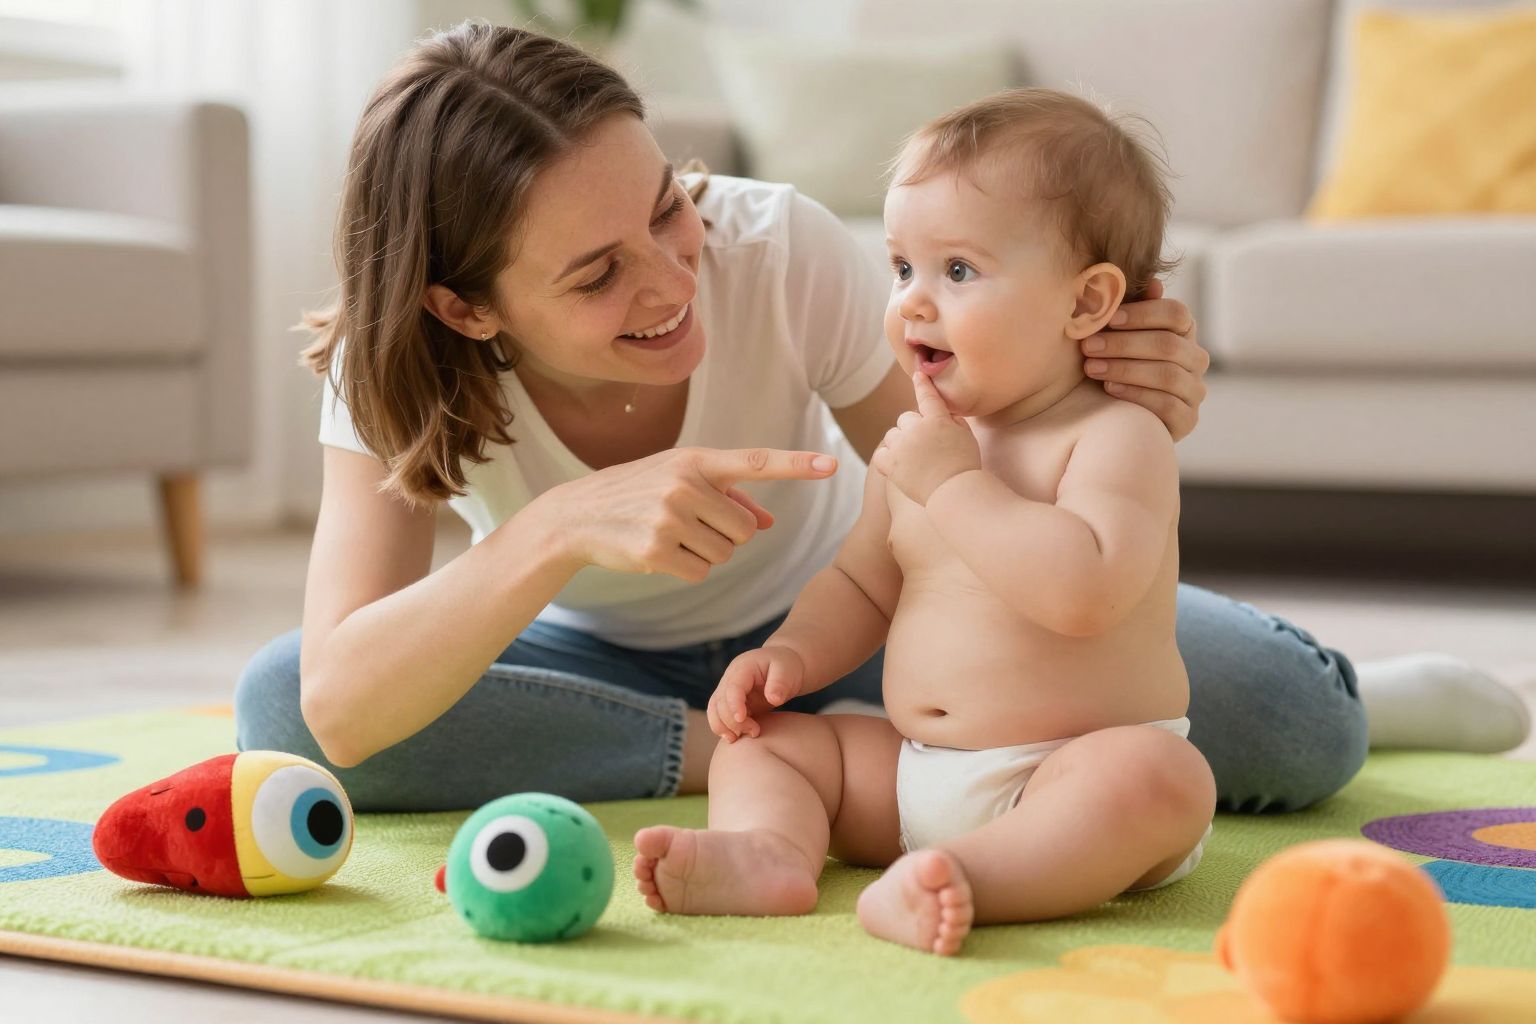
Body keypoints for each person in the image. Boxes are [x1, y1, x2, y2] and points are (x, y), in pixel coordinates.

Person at [233, 22, 1528, 815]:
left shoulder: (775, 244)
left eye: (666, 206)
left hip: (875, 632)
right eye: (596, 273)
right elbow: (342, 703)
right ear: (464, 309)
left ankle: (1361, 686)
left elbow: (953, 471)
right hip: (601, 665)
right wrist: (559, 529)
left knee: (1293, 727)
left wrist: (1113, 400)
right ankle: (757, 756)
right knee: (288, 712)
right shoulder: (389, 359)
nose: (676, 276)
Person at [633, 89, 1216, 955]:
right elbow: (864, 581)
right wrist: (788, 657)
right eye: (902, 267)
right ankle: (771, 854)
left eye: (959, 271)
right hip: (914, 775)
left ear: (1087, 302)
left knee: (1160, 781)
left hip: (1066, 775)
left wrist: (954, 488)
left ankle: (973, 880)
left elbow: (1084, 593)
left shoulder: (1114, 436)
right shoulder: (923, 445)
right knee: (769, 746)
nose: (911, 301)